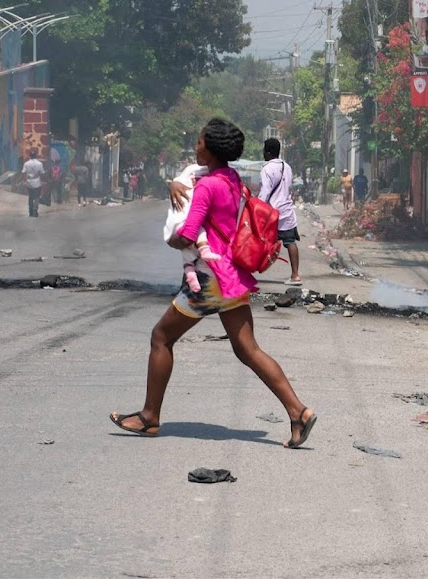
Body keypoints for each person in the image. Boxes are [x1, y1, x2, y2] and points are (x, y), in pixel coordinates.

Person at [110, 118, 316, 448]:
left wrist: (172, 239)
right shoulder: (230, 179)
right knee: (248, 349)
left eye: (200, 142)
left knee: (161, 338)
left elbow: (189, 233)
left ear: (212, 148)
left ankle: (150, 417)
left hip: (208, 280)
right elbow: (189, 180)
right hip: (231, 275)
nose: (195, 146)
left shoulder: (207, 186)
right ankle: (298, 412)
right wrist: (170, 184)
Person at [162, 163, 221, 294]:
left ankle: (189, 285)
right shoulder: (196, 183)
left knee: (188, 259)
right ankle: (188, 287)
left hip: (203, 243)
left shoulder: (213, 182)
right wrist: (175, 184)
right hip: (196, 238)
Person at [259, 138, 301, 286]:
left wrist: (258, 207)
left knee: (258, 240)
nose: (263, 153)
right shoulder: (287, 167)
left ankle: (248, 271)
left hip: (272, 212)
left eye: (264, 150)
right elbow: (288, 187)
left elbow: (265, 191)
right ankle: (295, 276)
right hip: (287, 210)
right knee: (290, 242)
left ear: (268, 152)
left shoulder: (267, 169)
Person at [20, 148, 45, 217]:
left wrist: (22, 180)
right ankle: (35, 208)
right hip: (37, 182)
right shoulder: (40, 164)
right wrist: (43, 181)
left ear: (30, 156)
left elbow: (23, 173)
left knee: (30, 197)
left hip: (29, 183)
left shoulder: (26, 163)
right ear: (35, 156)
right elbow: (42, 173)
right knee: (37, 197)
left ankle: (30, 210)